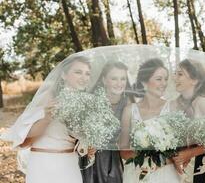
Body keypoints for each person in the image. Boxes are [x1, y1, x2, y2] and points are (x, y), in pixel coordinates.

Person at [1, 55, 91, 183]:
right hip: (44, 162)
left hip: (70, 164)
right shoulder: (49, 97)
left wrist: (88, 144)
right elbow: (25, 140)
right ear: (64, 75)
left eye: (87, 74)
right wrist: (47, 117)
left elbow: (80, 143)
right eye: (78, 72)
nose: (84, 77)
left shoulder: (86, 104)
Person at [119, 58, 181, 183]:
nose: (163, 83)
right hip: (136, 174)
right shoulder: (129, 110)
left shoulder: (173, 107)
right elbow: (123, 150)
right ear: (144, 82)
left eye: (165, 79)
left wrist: (159, 160)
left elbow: (181, 150)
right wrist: (145, 159)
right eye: (159, 79)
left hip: (165, 174)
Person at [80, 61, 134, 183]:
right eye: (114, 78)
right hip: (91, 157)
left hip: (114, 159)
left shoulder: (128, 103)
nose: (119, 83)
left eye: (123, 79)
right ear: (104, 80)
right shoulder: (92, 101)